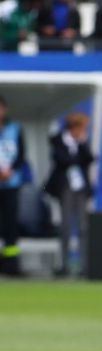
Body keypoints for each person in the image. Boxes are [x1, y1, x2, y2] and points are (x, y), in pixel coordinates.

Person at [46, 111, 94, 278]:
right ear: (74, 127)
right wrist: (76, 153)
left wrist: (81, 144)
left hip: (80, 188)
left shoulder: (81, 143)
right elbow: (62, 161)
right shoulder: (58, 140)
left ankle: (84, 266)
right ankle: (64, 264)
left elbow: (89, 159)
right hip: (65, 188)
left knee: (83, 227)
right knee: (66, 226)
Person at [0, 94, 23, 277]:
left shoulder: (15, 129)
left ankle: (11, 265)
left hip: (11, 184)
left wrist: (10, 171)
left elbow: (22, 156)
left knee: (10, 224)